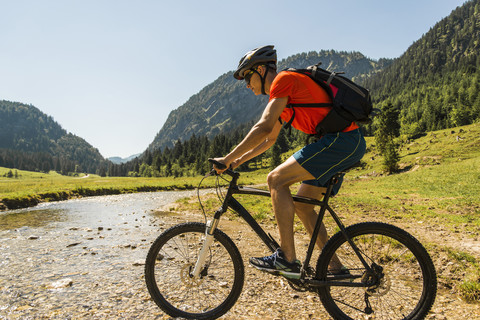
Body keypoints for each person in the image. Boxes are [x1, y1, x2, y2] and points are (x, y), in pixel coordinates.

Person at [213, 45, 366, 279]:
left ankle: (286, 258)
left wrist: (227, 157)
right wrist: (237, 161)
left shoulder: (283, 80)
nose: (246, 84)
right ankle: (335, 267)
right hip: (342, 143)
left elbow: (263, 127)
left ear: (261, 70)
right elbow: (269, 140)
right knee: (303, 206)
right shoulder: (284, 98)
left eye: (247, 76)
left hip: (341, 141)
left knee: (275, 179)